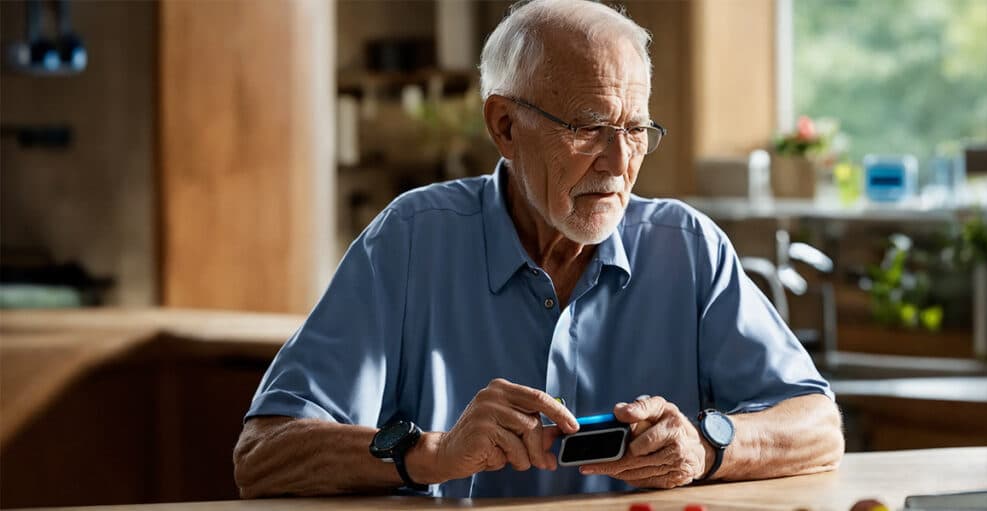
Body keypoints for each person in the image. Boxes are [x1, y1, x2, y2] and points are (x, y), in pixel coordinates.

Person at [233, 0, 843, 498]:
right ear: (503, 126)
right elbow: (264, 454)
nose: (618, 162)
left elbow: (818, 427)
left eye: (635, 130)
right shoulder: (412, 241)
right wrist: (434, 453)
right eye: (587, 128)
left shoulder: (686, 248)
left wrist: (707, 446)